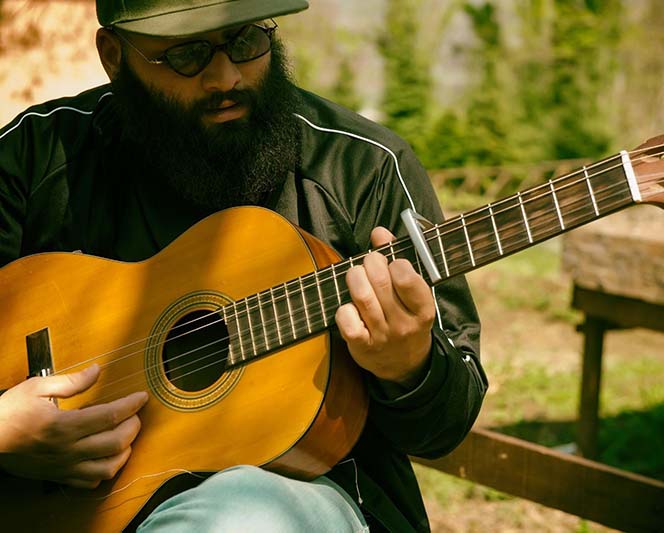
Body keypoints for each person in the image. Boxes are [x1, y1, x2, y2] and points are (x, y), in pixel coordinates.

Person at [0, 1, 486, 531]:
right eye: (187, 54)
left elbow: (446, 426)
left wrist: (410, 366)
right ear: (115, 56)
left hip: (309, 496)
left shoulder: (361, 168)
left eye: (246, 41)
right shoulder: (37, 157)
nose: (226, 76)